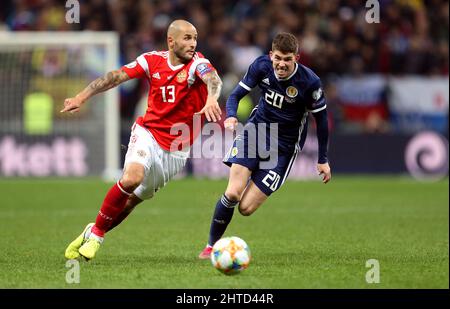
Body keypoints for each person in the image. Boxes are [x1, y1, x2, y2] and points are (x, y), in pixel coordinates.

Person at [62, 20, 222, 260]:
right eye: (187, 38)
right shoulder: (151, 61)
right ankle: (96, 236)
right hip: (148, 133)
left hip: (177, 150)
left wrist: (212, 98)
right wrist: (82, 96)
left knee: (129, 203)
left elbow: (213, 79)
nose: (192, 43)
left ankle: (94, 228)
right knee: (131, 178)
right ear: (171, 41)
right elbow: (116, 76)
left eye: (195, 38)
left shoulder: (198, 64)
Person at [198, 32, 331, 259]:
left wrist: (323, 159)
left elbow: (322, 120)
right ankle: (211, 246)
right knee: (232, 193)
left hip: (284, 148)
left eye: (287, 59)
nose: (281, 63)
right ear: (271, 55)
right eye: (278, 57)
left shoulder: (310, 82)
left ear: (296, 58)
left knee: (246, 208)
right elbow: (235, 95)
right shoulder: (261, 66)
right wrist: (230, 115)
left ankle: (255, 174)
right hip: (255, 132)